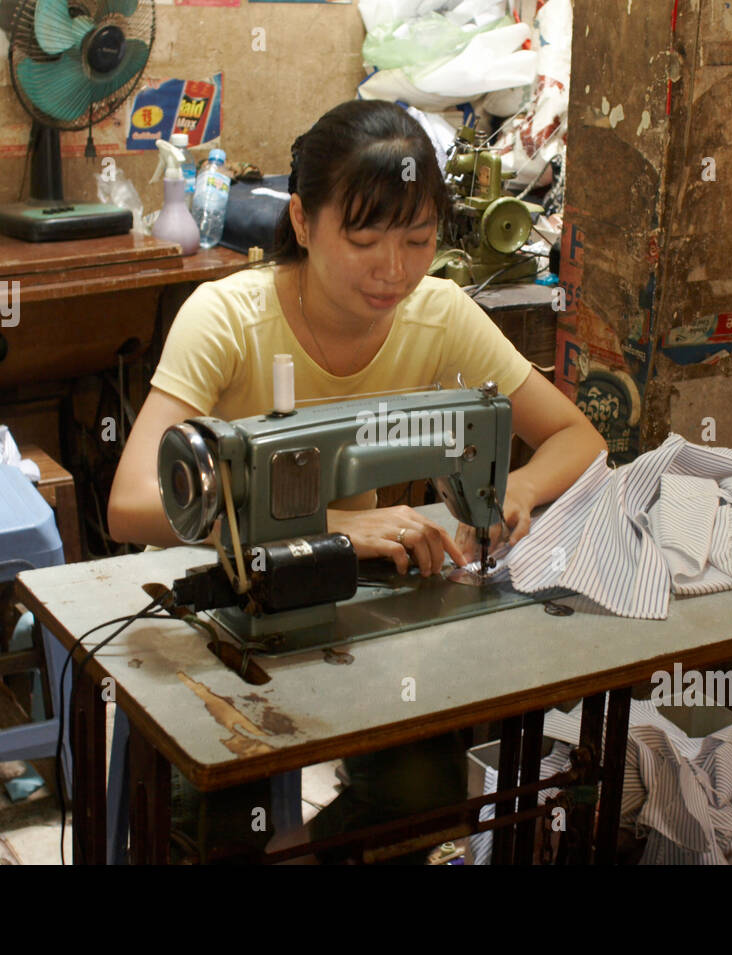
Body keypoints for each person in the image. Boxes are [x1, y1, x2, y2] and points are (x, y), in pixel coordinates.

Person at [108, 99, 605, 861]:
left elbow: (575, 435)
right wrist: (333, 528)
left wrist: (515, 490)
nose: (394, 269)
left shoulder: (439, 316)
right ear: (303, 223)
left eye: (418, 239)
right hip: (215, 601)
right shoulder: (228, 319)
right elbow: (131, 503)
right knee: (204, 821)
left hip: (346, 606)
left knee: (422, 802)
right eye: (365, 237)